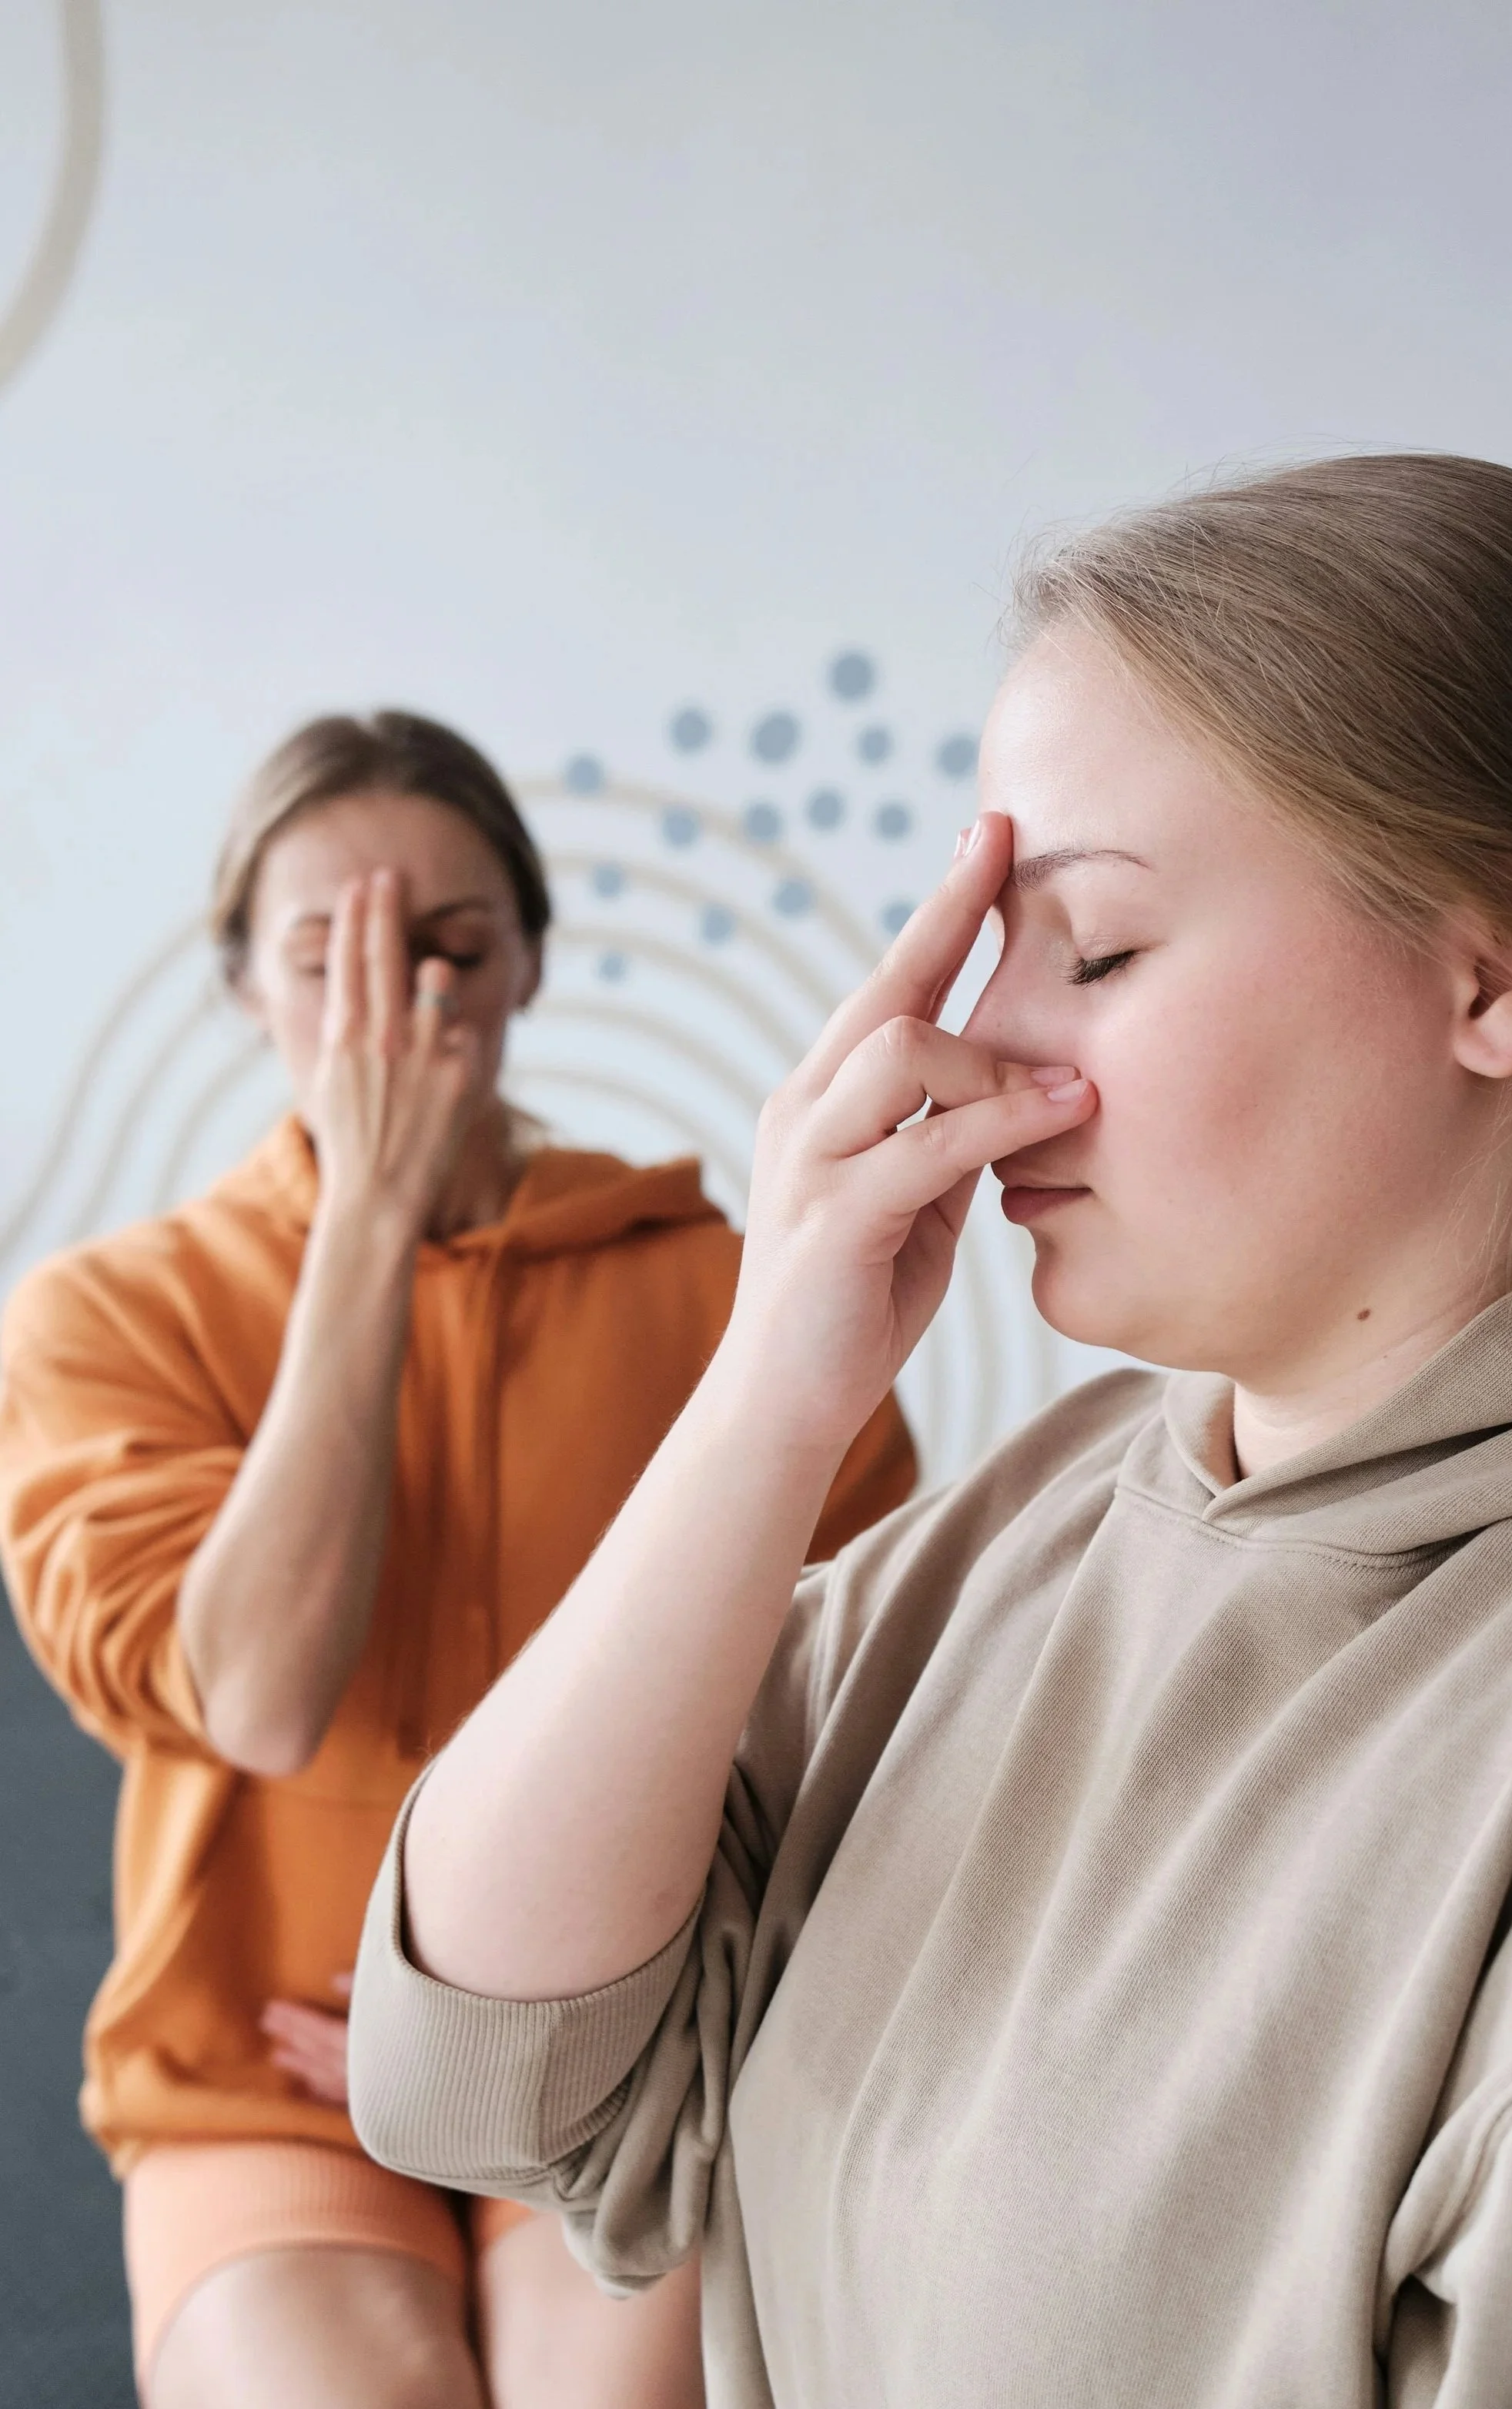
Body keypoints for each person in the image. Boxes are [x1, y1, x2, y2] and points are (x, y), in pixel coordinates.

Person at [350, 457, 1512, 2407]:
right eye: (983, 943)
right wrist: (768, 1395)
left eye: (1095, 949)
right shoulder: (1013, 1543)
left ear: (1494, 973)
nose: (975, 1054)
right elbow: (473, 2075)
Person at [0, 709, 916, 2409]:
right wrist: (366, 1218)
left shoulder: (734, 1292)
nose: (398, 1002)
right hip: (255, 2077)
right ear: (240, 986)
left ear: (532, 967)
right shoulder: (101, 1317)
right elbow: (261, 1699)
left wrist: (498, 2022)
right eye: (325, 955)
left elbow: (855, 1729)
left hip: (625, 2050)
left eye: (451, 944)